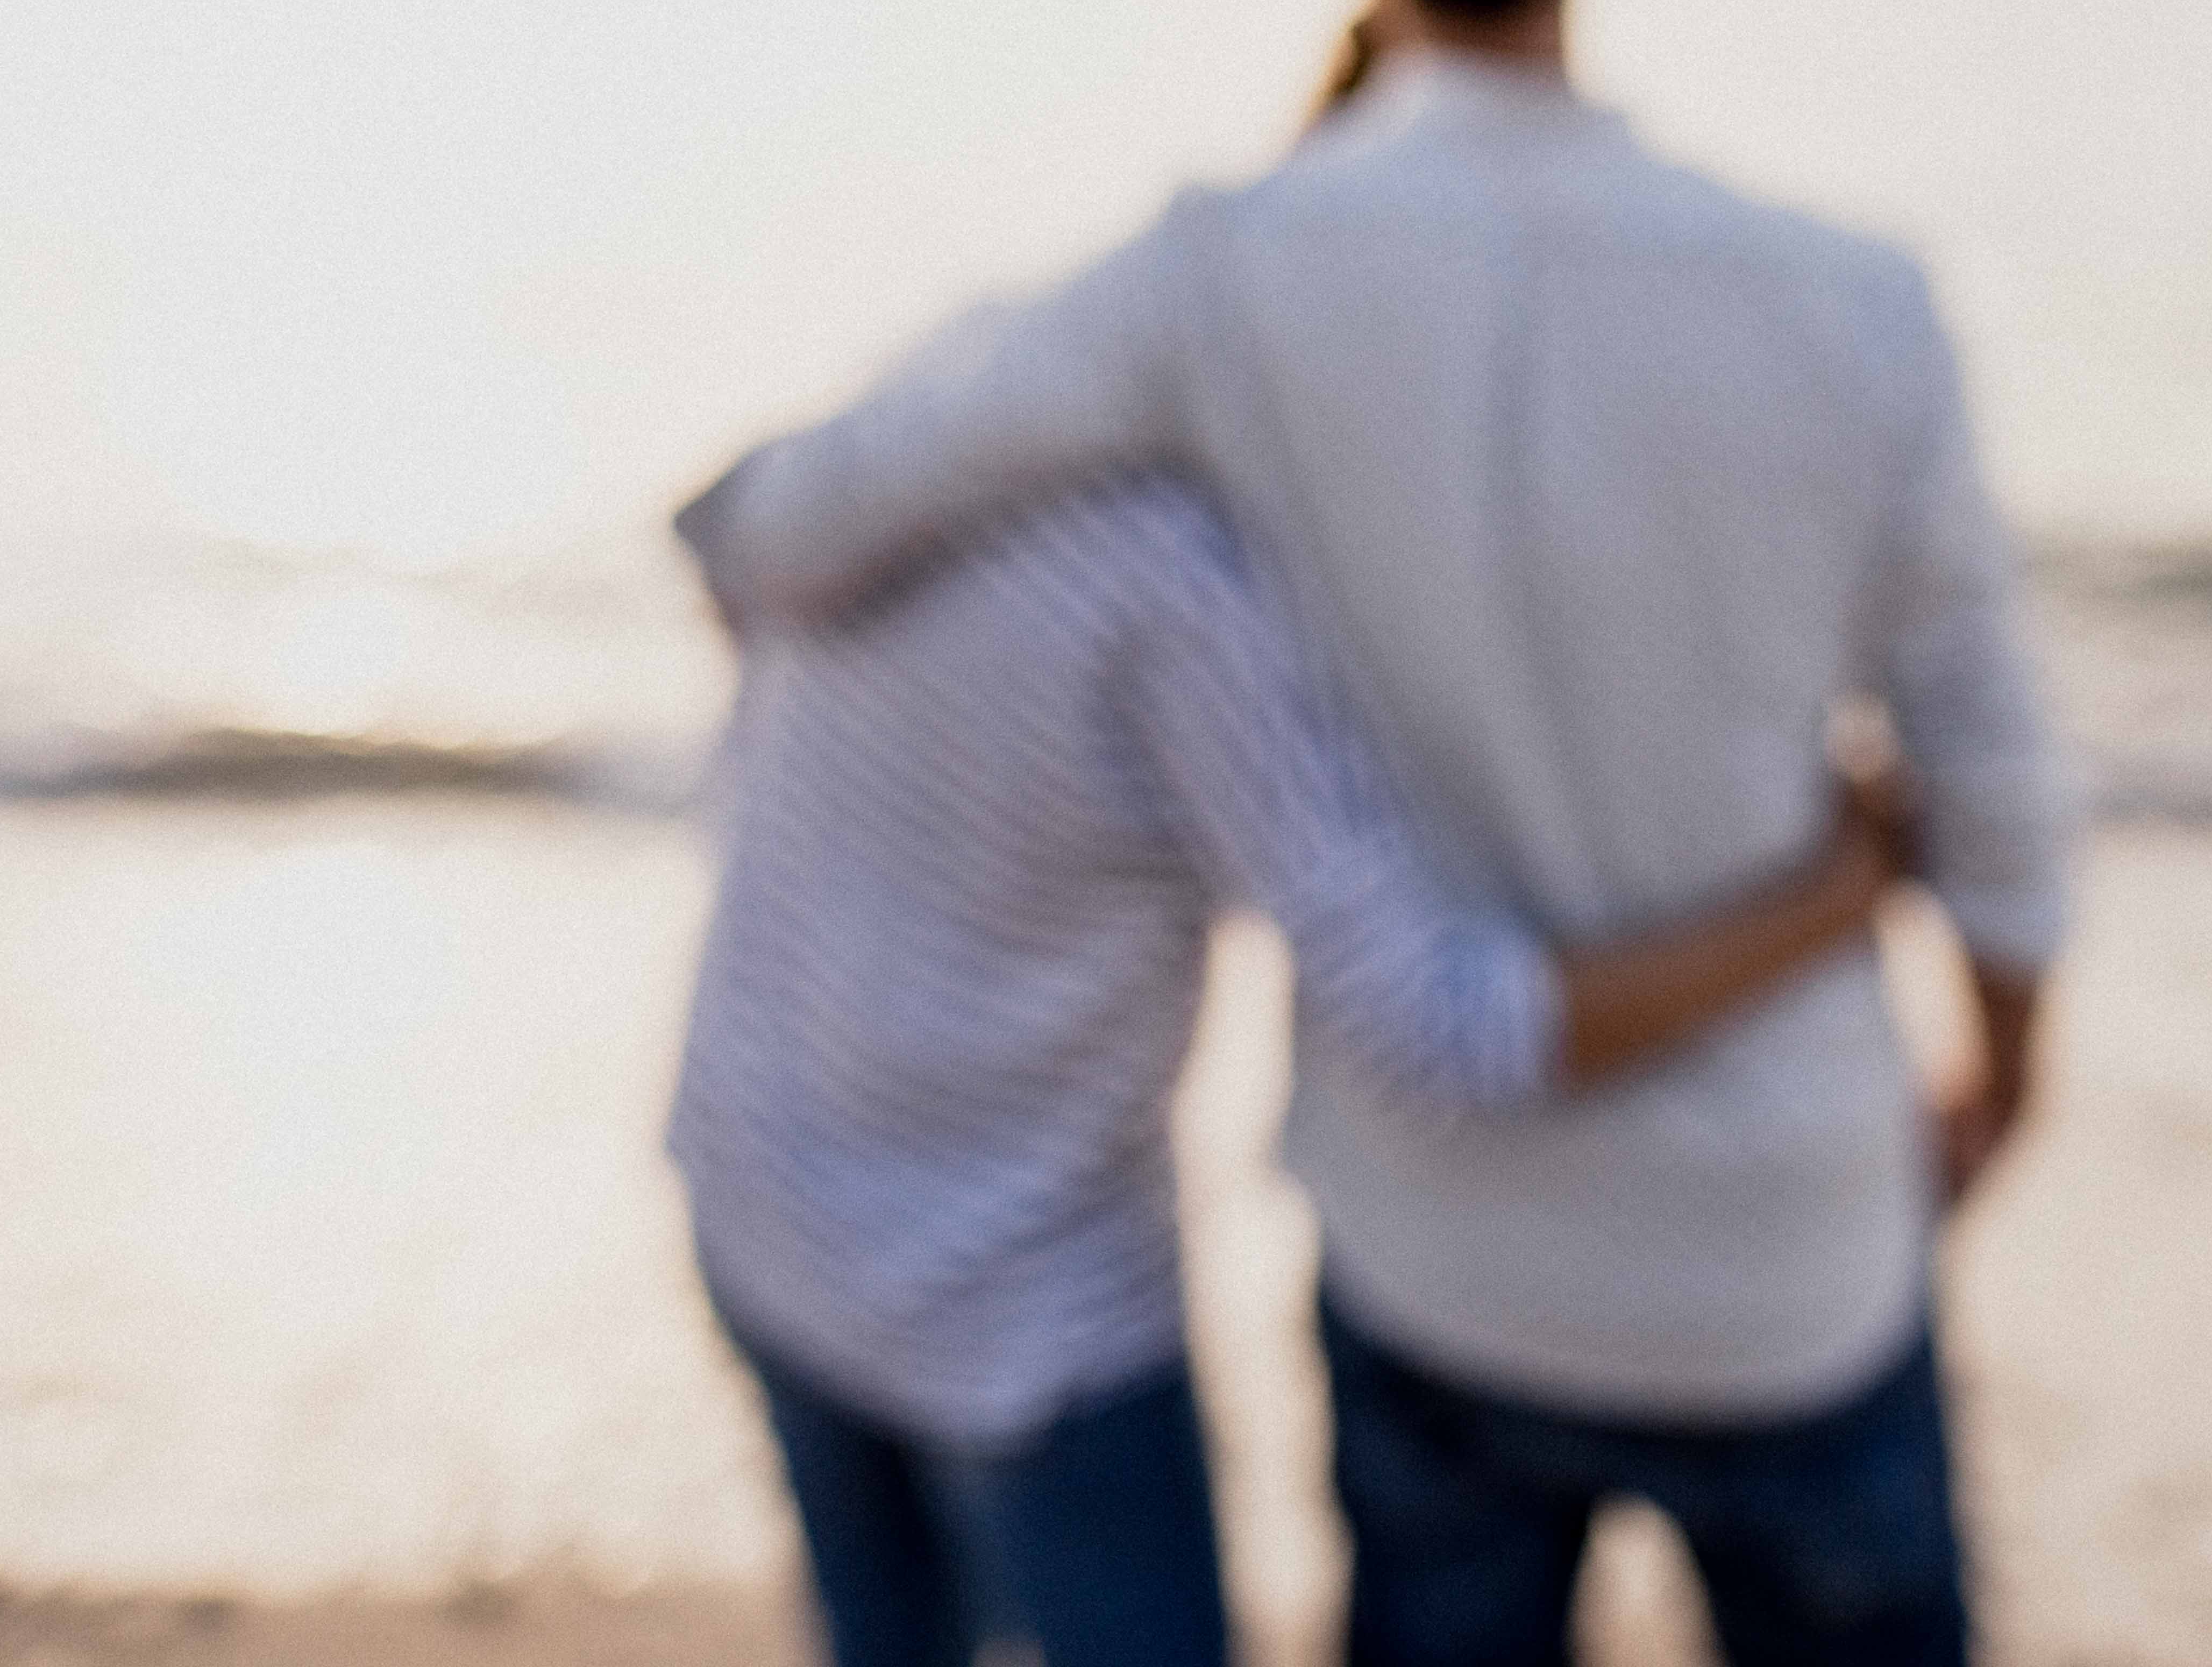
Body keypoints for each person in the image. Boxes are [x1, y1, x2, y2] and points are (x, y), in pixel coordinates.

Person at [680, 0, 2073, 1665]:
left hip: (1444, 1271)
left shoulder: (1221, 279)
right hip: (1789, 1249)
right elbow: (2001, 791)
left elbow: (785, 529)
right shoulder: (1859, 310)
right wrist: (1993, 1071)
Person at [674, 465, 1917, 1667]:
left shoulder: (940, 437)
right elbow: (1441, 1029)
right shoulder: (1182, 591)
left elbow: (715, 532)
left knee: (882, 1636)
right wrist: (1837, 892)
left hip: (756, 1171)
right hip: (1017, 1297)